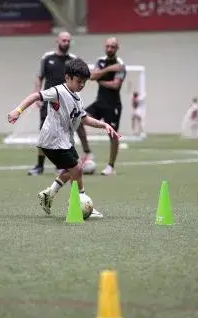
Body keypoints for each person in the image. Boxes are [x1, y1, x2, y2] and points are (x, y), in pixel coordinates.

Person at [8, 58, 120, 218]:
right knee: (77, 169)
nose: (81, 85)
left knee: (73, 168)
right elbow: (35, 96)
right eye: (79, 81)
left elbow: (84, 118)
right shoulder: (58, 92)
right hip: (52, 141)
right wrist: (17, 111)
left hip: (64, 141)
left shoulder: (77, 97)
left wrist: (104, 125)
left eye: (84, 82)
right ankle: (80, 201)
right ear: (67, 78)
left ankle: (49, 194)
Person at [28, 31, 92, 176]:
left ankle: (74, 159)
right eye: (63, 40)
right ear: (57, 41)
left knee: (75, 127)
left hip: (69, 102)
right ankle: (39, 165)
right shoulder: (47, 58)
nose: (66, 43)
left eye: (68, 41)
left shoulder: (73, 60)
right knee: (44, 131)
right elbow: (39, 77)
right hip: (49, 100)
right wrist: (37, 96)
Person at [76, 37, 126, 176]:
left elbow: (116, 85)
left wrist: (100, 79)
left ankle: (110, 166)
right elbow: (92, 76)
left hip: (113, 105)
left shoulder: (120, 64)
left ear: (117, 48)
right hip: (99, 102)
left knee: (113, 135)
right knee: (78, 119)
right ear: (105, 47)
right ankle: (87, 152)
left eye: (113, 47)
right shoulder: (101, 61)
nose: (110, 49)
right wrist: (108, 70)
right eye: (108, 46)